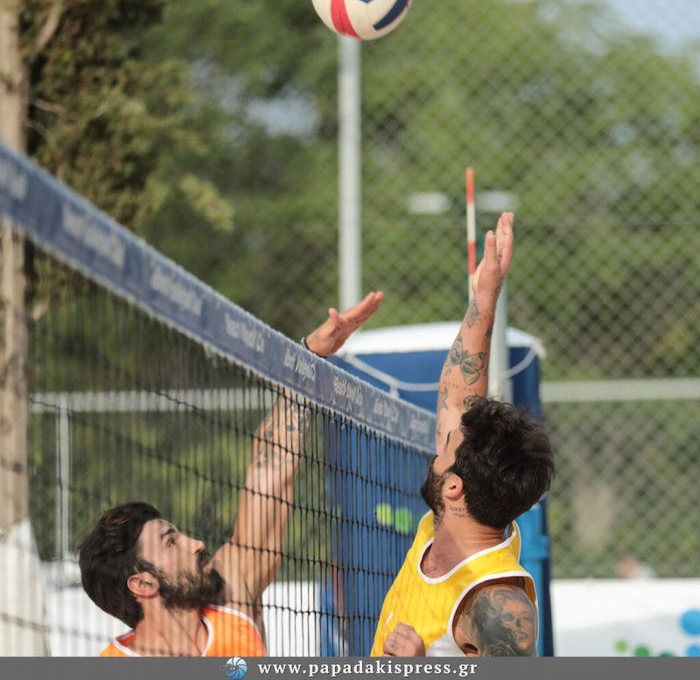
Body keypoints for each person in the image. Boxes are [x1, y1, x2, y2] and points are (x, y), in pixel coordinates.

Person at [78, 292, 383, 657]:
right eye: (171, 542)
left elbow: (273, 470)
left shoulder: (232, 594)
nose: (197, 543)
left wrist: (309, 361)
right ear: (143, 583)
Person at [370, 213, 554, 657]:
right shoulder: (448, 521)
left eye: (445, 448)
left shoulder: (497, 602)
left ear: (453, 486)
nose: (439, 443)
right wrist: (485, 295)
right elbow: (458, 399)